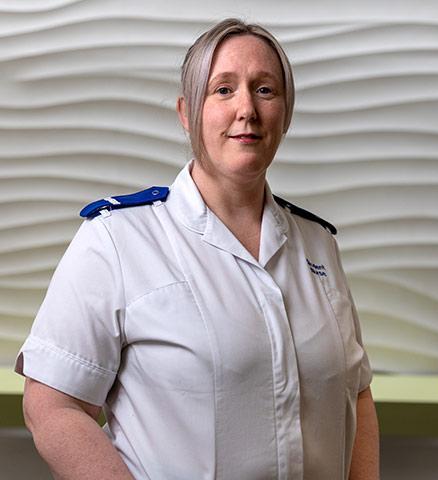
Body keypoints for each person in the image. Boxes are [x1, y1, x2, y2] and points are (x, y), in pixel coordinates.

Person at [15, 18, 379, 480]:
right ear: (187, 113)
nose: (246, 108)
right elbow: (52, 405)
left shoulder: (318, 244)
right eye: (222, 90)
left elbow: (357, 393)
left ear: (286, 114)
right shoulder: (118, 240)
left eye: (265, 90)